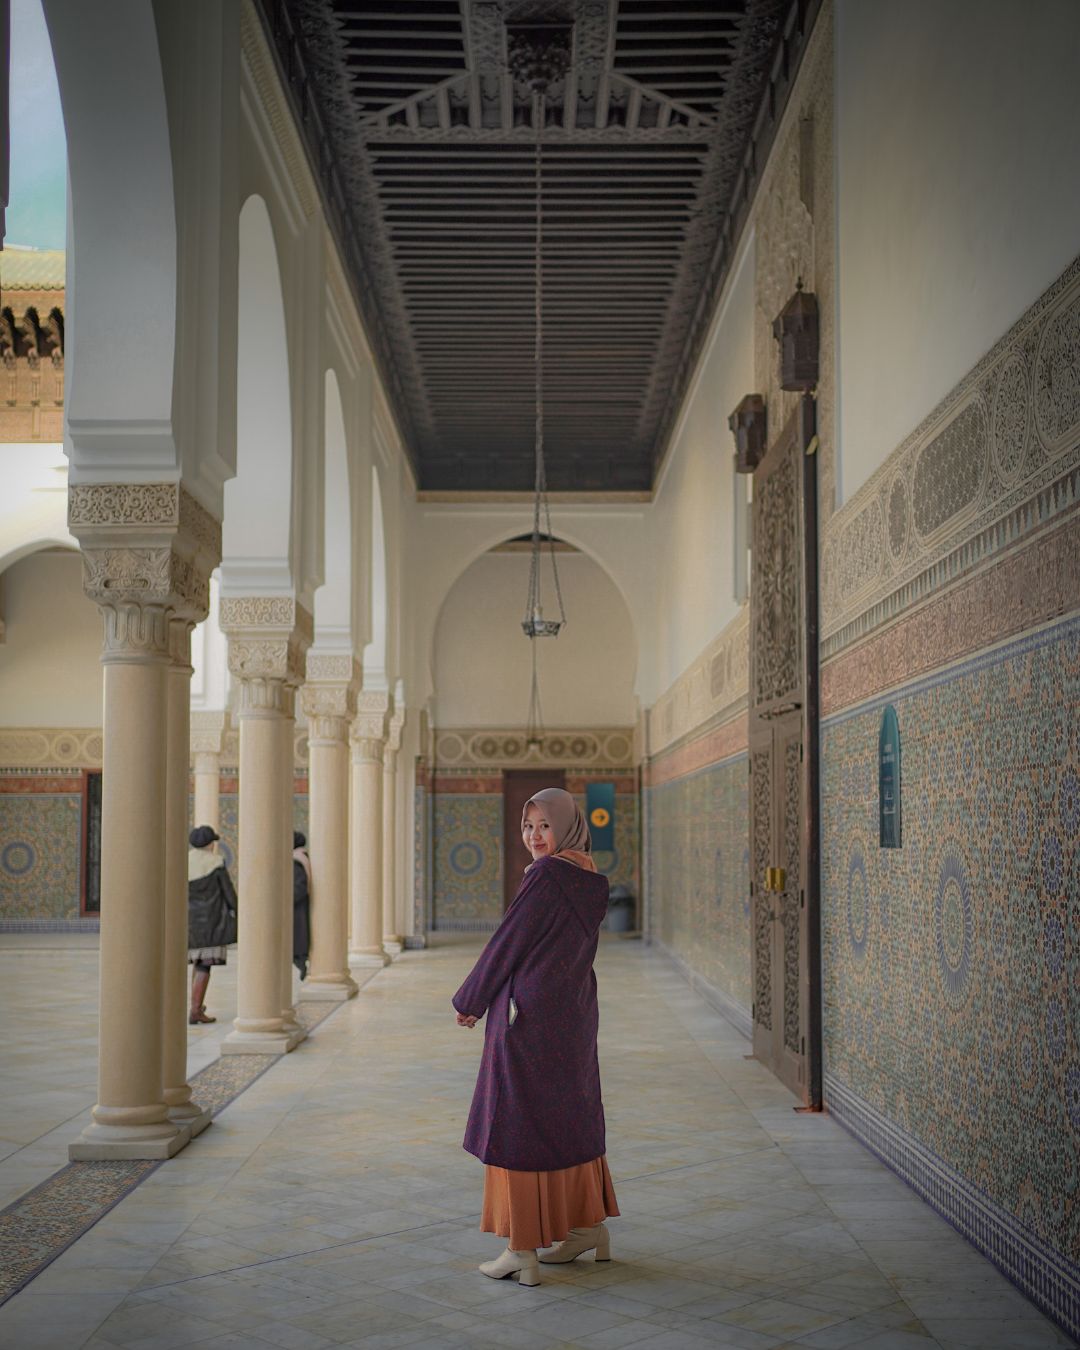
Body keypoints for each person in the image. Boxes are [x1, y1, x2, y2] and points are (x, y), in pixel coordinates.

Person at [452, 787, 620, 1288]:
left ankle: (520, 1249)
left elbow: (509, 942)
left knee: (515, 1120)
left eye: (544, 825)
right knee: (569, 1115)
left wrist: (470, 999)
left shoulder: (546, 877)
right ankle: (588, 1227)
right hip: (572, 1012)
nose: (533, 836)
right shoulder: (588, 876)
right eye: (527, 826)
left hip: (528, 1018)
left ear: (565, 825)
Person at [187, 825, 237, 1025]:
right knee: (205, 966)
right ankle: (196, 1009)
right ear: (210, 844)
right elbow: (228, 892)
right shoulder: (216, 864)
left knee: (198, 963)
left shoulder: (185, 863)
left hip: (190, 922)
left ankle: (195, 1004)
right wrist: (237, 910)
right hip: (212, 922)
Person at [292, 830, 311, 981]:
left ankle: (301, 963)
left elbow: (299, 887)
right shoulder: (302, 857)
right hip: (299, 908)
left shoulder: (296, 860)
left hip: (296, 909)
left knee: (296, 943)